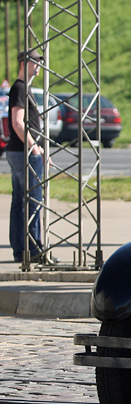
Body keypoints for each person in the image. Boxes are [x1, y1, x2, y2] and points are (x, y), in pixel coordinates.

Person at [7, 49, 46, 262]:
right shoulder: (20, 88)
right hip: (25, 153)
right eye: (35, 61)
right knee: (32, 201)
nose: (38, 65)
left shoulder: (22, 87)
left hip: (20, 151)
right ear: (23, 63)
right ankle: (32, 248)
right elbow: (17, 122)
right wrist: (34, 147)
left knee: (21, 202)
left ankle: (21, 249)